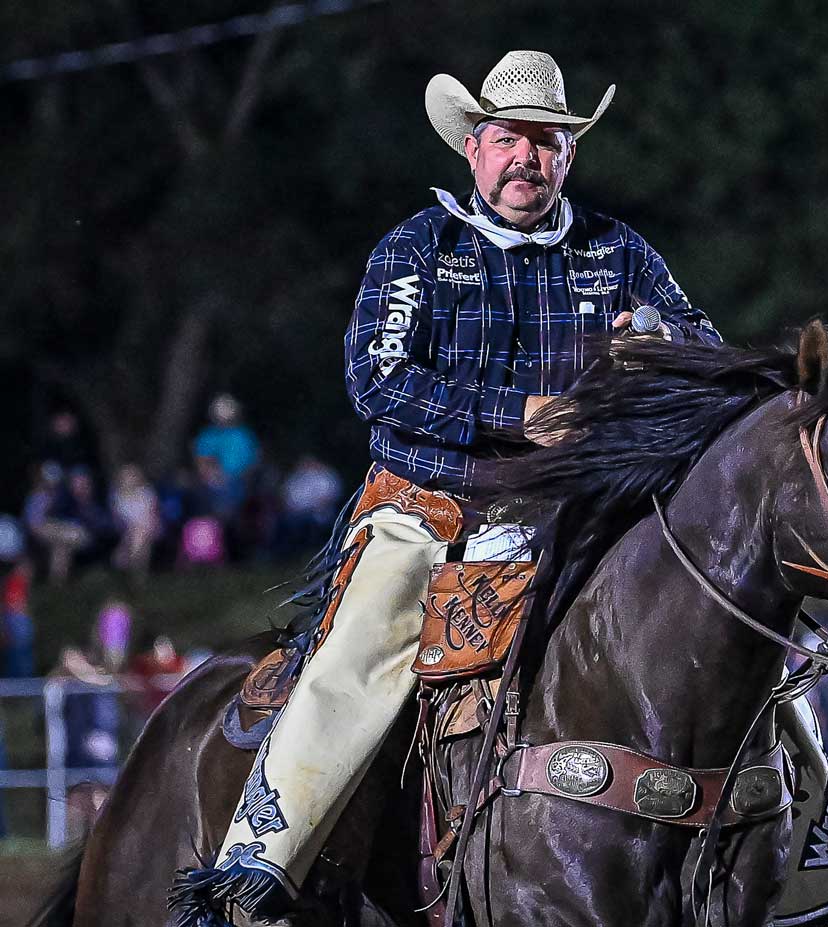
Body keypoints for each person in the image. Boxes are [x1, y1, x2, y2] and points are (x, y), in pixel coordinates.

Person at [171, 51, 721, 925]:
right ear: (473, 147)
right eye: (509, 139)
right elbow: (379, 381)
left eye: (547, 142)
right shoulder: (417, 249)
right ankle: (259, 857)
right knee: (359, 651)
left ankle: (824, 856)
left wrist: (661, 337)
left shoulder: (619, 252)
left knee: (715, 620)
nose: (527, 159)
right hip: (427, 509)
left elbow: (704, 343)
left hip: (579, 514)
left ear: (569, 156)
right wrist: (522, 412)